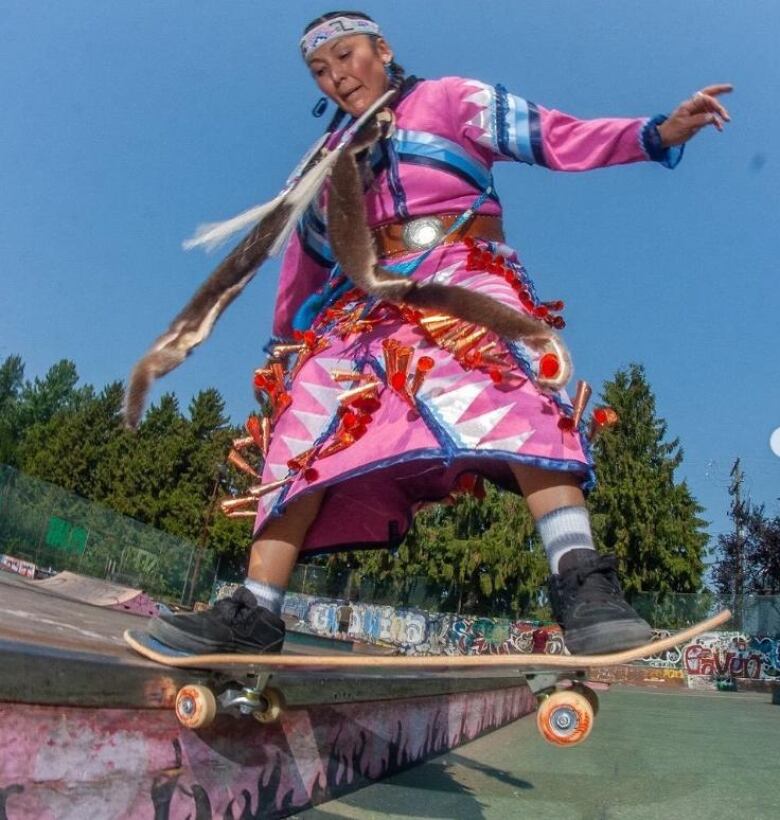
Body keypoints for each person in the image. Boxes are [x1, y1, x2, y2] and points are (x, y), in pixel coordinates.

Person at [148, 11, 731, 656]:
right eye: (320, 70)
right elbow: (306, 260)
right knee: (303, 419)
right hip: (367, 307)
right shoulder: (324, 161)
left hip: (463, 270)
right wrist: (287, 344)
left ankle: (582, 583)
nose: (337, 77)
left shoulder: (451, 101)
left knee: (515, 386)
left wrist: (655, 134)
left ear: (382, 49)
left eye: (347, 56)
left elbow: (554, 136)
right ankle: (255, 613)